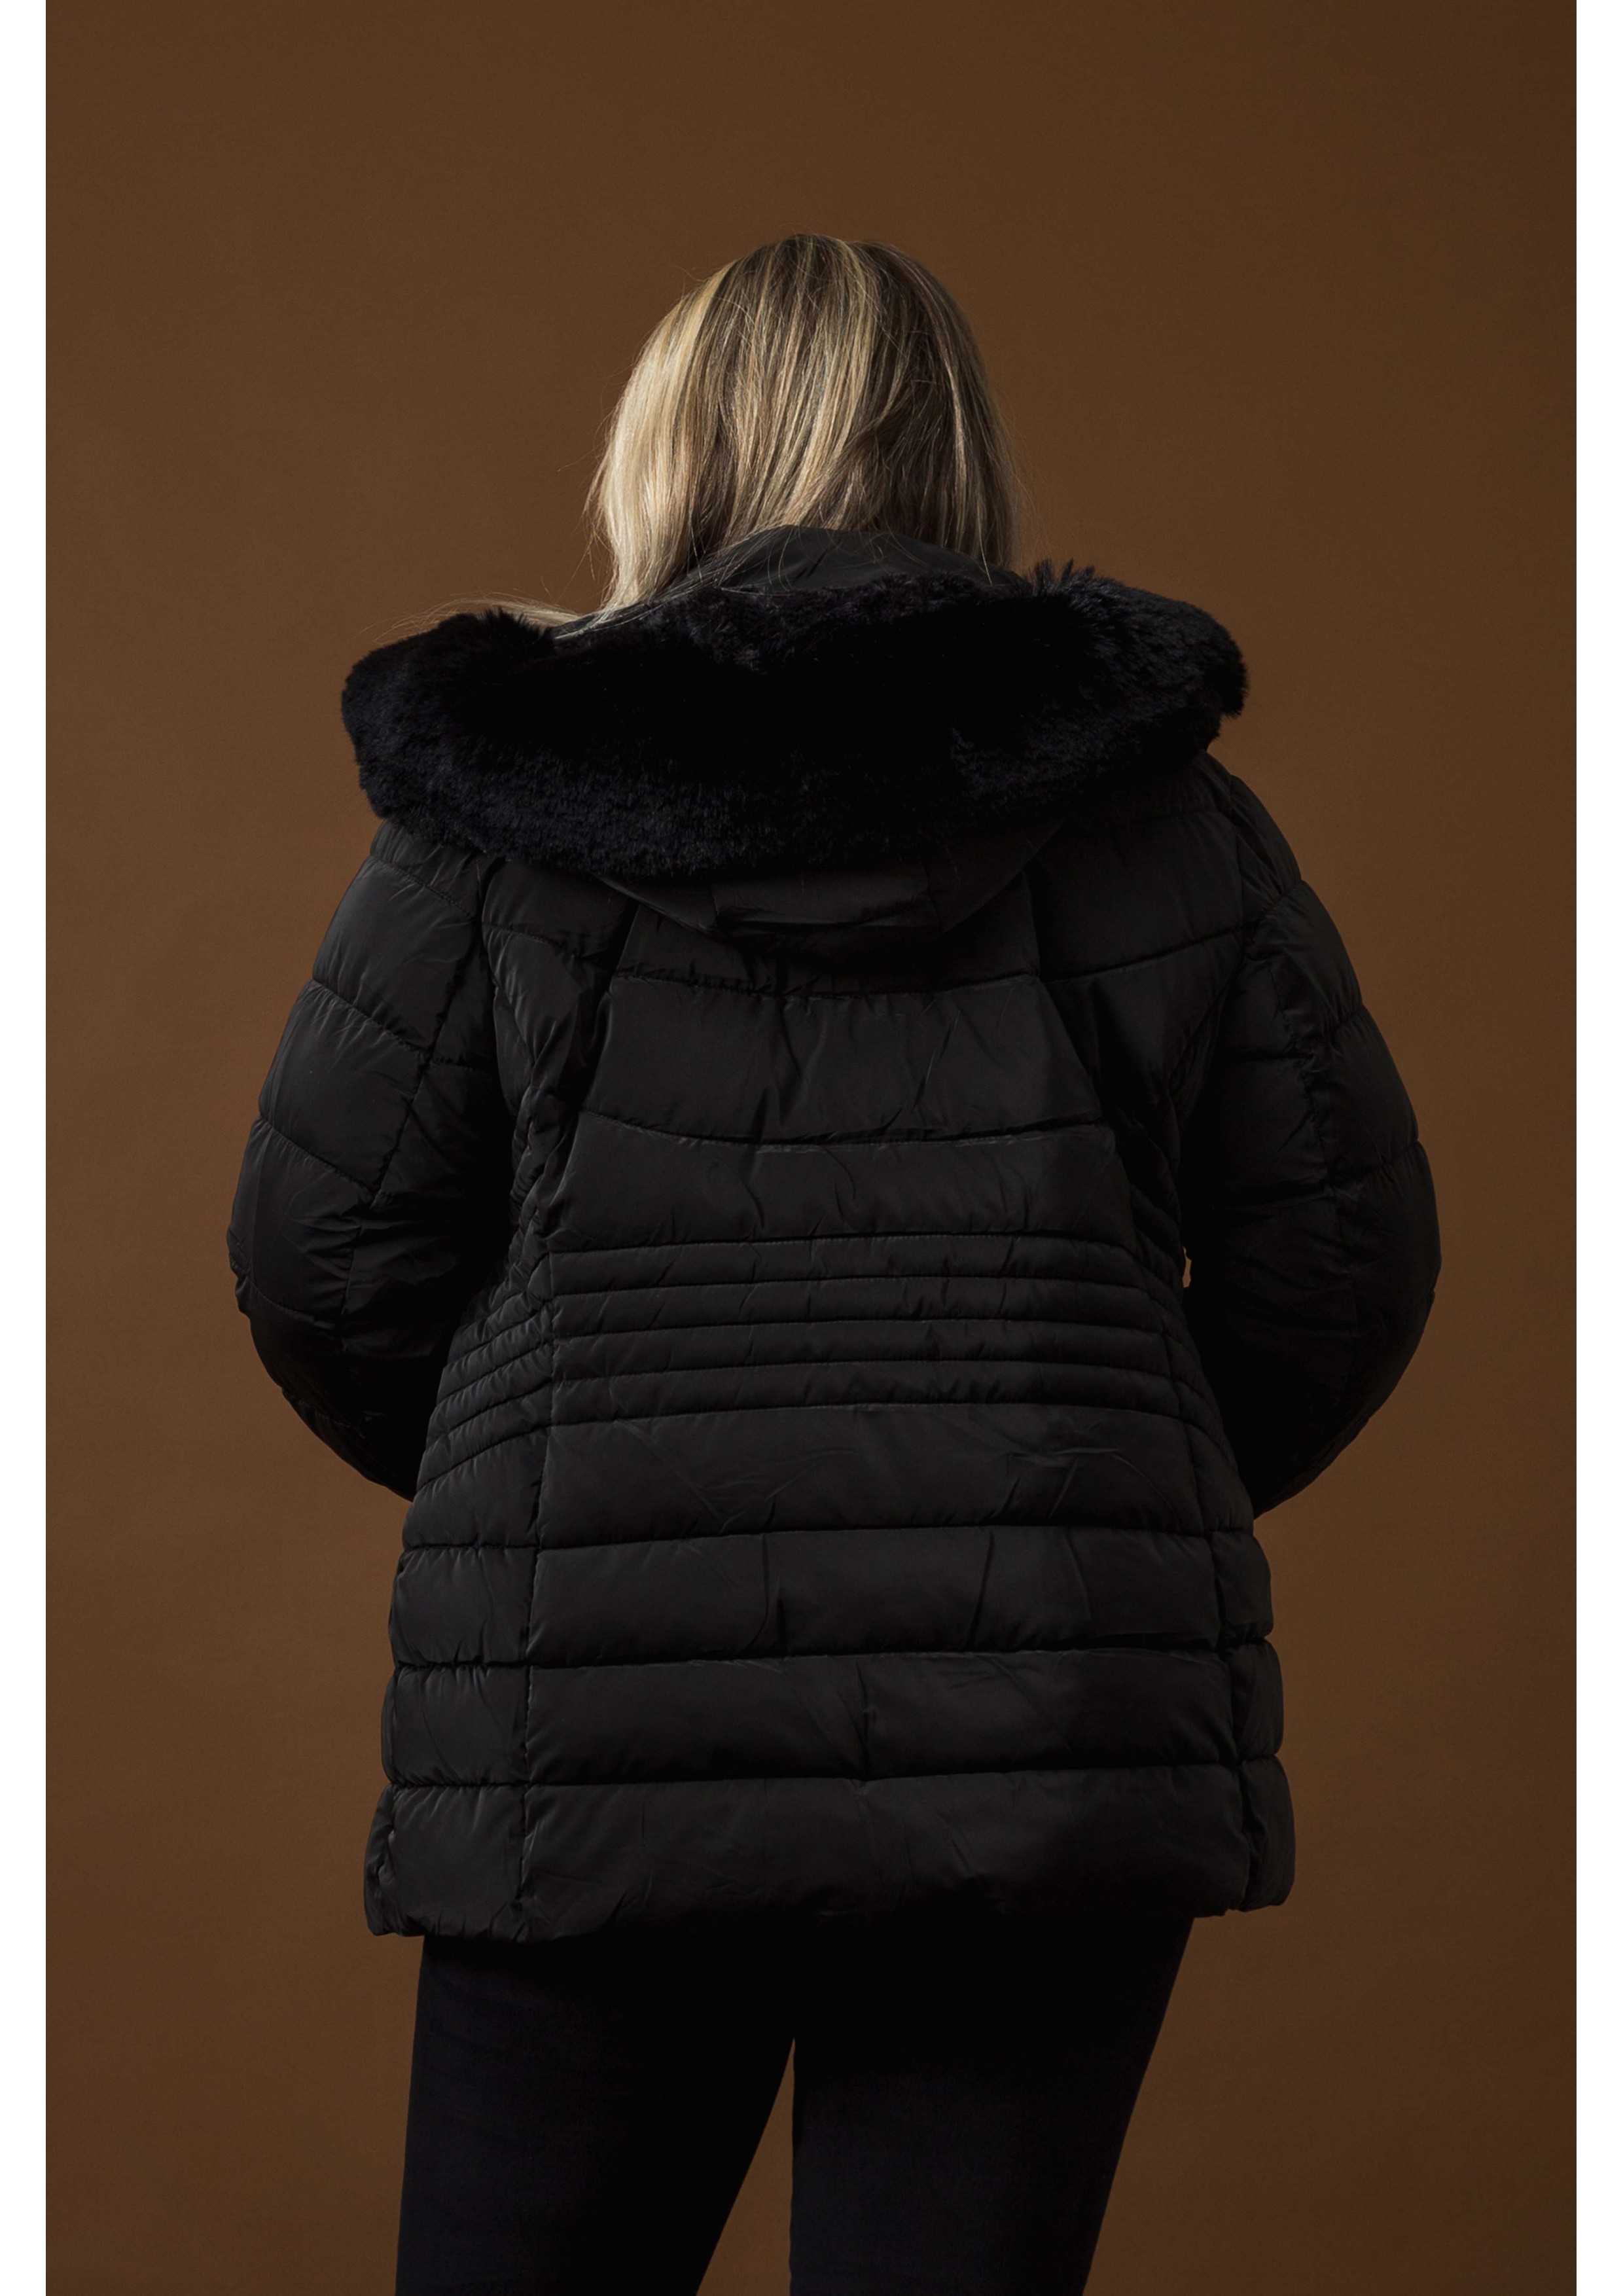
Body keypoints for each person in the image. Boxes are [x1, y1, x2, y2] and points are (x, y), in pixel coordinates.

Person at [228, 234, 1440, 2296]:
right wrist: (1082, 1489)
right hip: (1037, 1741)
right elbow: (1346, 1262)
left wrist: (567, 1482)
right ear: (959, 455)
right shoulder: (1165, 817)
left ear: (667, 450)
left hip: (588, 1757)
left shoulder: (496, 814)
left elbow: (321, 1257)